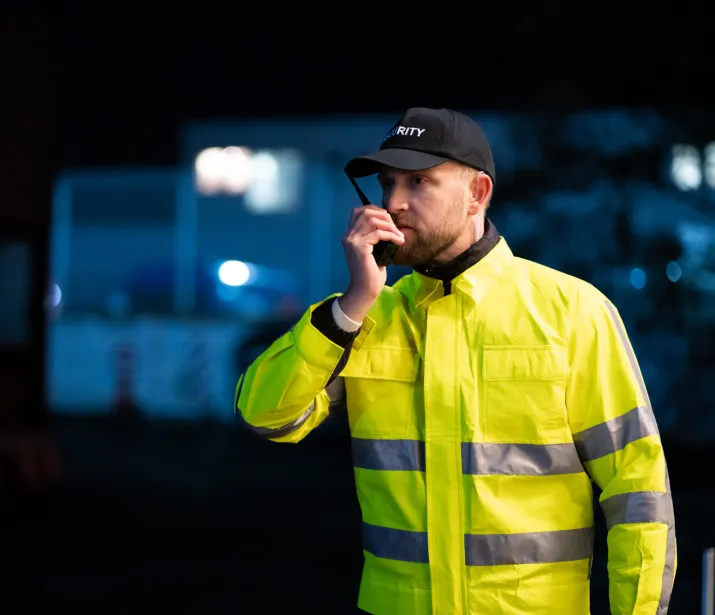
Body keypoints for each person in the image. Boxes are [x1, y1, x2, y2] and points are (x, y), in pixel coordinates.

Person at [234, 107, 676, 614]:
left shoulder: (573, 313)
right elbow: (265, 416)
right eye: (387, 183)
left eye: (419, 182)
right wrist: (350, 305)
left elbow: (637, 491)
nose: (394, 203)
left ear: (477, 194)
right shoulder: (363, 316)